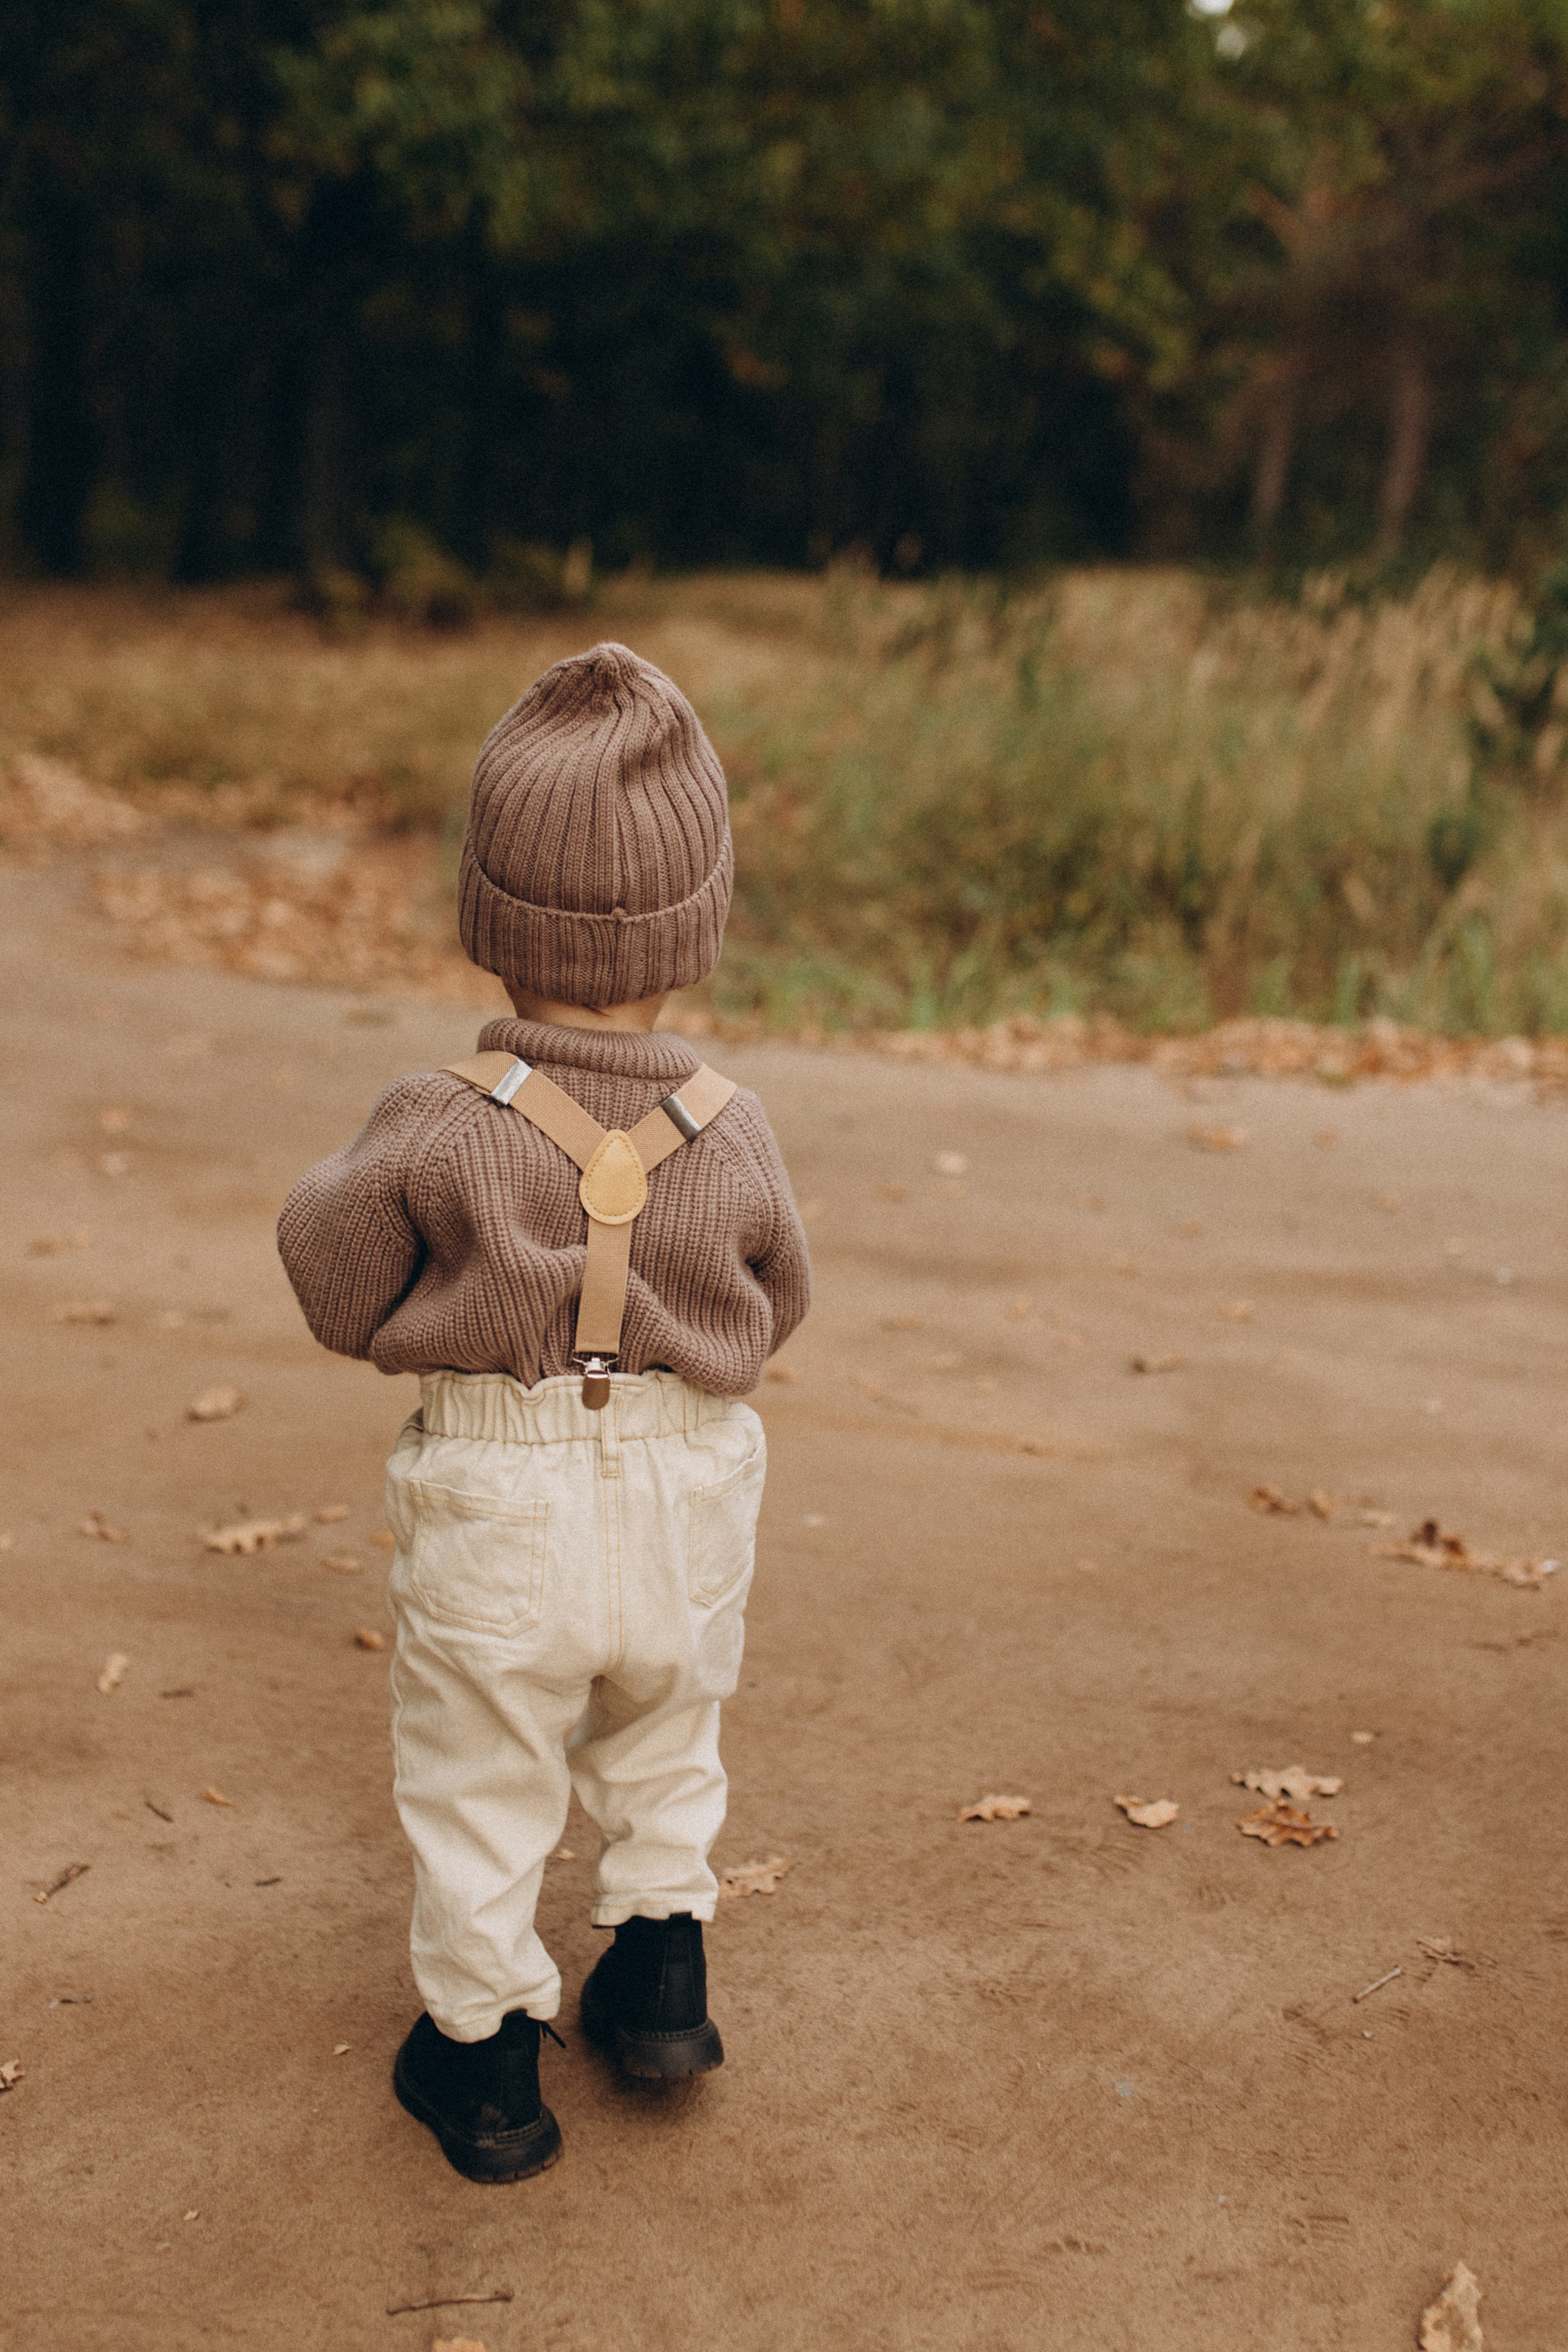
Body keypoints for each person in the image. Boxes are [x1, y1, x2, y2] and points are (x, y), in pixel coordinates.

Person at [277, 643, 811, 2182]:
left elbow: (329, 1274)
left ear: (486, 912)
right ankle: (657, 1978)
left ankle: (484, 2065)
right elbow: (779, 1303)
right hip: (690, 1474)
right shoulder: (735, 1125)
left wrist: (422, 1323)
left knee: (480, 1772)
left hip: (503, 1487)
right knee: (666, 1725)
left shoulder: (437, 1118)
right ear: (695, 925)